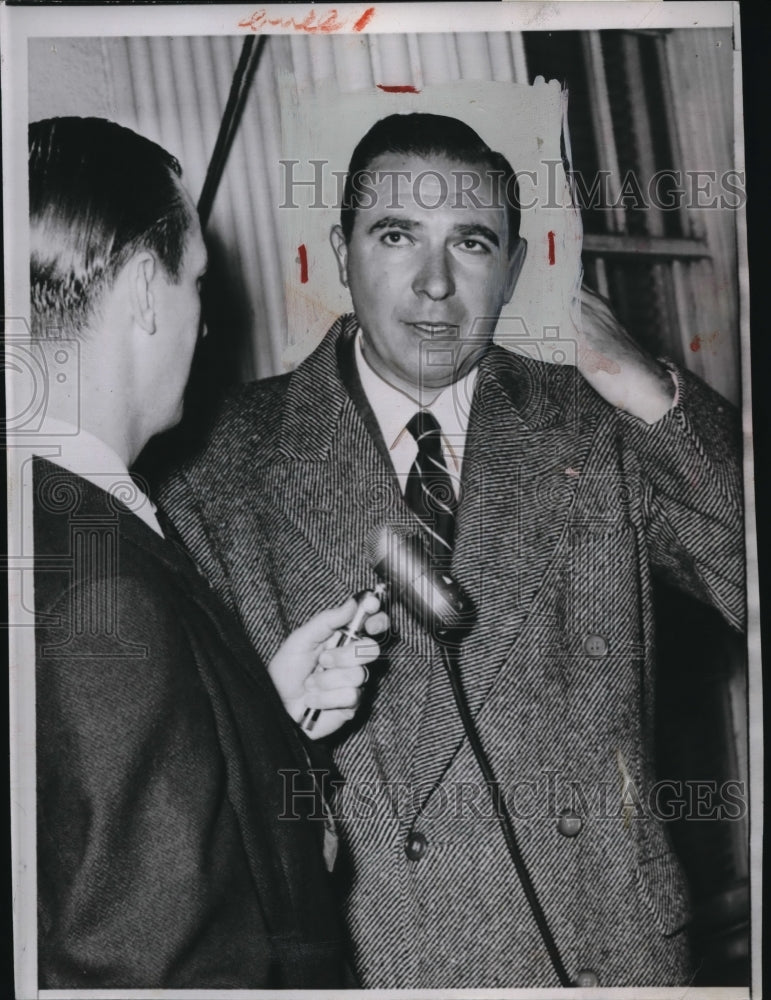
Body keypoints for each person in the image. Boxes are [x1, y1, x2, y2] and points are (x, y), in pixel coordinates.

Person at [159, 113, 745, 988]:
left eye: (470, 243)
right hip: (383, 963)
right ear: (339, 250)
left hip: (604, 956)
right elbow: (188, 794)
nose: (434, 284)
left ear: (511, 268)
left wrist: (652, 394)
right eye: (395, 235)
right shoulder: (218, 466)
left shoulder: (598, 427)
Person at [29, 116, 388, 989]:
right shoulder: (99, 590)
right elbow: (162, 960)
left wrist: (258, 718)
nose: (201, 322)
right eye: (197, 283)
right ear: (147, 293)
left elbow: (87, 827)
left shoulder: (53, 528)